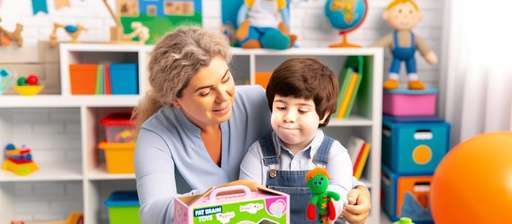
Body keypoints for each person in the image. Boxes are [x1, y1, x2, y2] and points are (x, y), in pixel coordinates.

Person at [134, 26, 371, 224]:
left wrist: (355, 188)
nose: (224, 97)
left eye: (226, 79)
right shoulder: (156, 134)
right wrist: (229, 194)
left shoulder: (254, 101)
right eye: (205, 92)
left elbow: (301, 149)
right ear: (175, 100)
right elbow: (153, 213)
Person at [239, 58, 353, 223]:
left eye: (302, 110)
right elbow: (247, 197)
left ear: (324, 114)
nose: (289, 118)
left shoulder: (335, 153)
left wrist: (332, 204)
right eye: (281, 107)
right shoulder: (258, 153)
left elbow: (340, 189)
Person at [373, 0, 438, 90]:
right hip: (396, 57)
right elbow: (380, 43)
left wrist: (428, 55)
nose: (405, 16)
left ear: (418, 17)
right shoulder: (391, 37)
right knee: (395, 66)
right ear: (387, 15)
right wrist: (370, 50)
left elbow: (424, 47)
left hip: (410, 57)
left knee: (412, 66)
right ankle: (393, 80)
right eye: (399, 12)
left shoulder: (415, 38)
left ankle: (413, 81)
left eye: (410, 12)